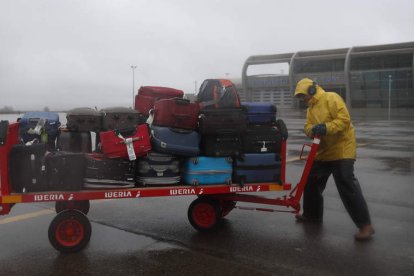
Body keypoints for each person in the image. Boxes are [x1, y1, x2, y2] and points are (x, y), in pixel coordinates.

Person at [293, 78, 374, 241]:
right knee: (310, 182)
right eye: (300, 97)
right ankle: (312, 215)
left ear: (311, 90)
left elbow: (344, 121)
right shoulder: (311, 109)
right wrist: (311, 130)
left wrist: (326, 127)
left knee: (346, 183)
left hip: (342, 149)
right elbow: (307, 127)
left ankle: (365, 226)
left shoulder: (331, 98)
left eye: (303, 95)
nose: (302, 99)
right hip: (323, 152)